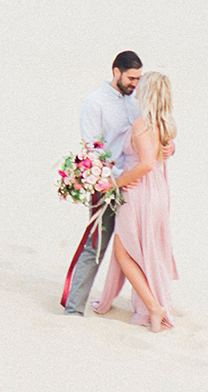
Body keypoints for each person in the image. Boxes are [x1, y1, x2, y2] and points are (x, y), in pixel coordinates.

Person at [91, 70, 179, 329]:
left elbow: (146, 164)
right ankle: (150, 304)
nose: (137, 86)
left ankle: (153, 307)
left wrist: (115, 184)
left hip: (139, 193)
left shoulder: (142, 124)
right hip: (157, 193)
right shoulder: (165, 124)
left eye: (143, 83)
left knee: (123, 252)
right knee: (141, 249)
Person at [61, 51, 145, 314]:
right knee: (97, 244)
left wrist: (170, 147)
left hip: (135, 183)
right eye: (131, 78)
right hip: (107, 184)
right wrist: (112, 179)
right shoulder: (94, 103)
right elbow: (92, 148)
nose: (135, 84)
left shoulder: (136, 102)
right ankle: (73, 308)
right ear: (116, 71)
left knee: (139, 245)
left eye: (139, 78)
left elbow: (150, 131)